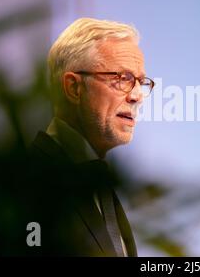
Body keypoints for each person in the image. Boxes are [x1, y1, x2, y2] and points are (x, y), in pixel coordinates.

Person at [23, 18, 155, 256]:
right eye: (122, 79)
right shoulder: (27, 181)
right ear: (74, 88)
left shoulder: (100, 182)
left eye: (140, 82)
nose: (137, 95)